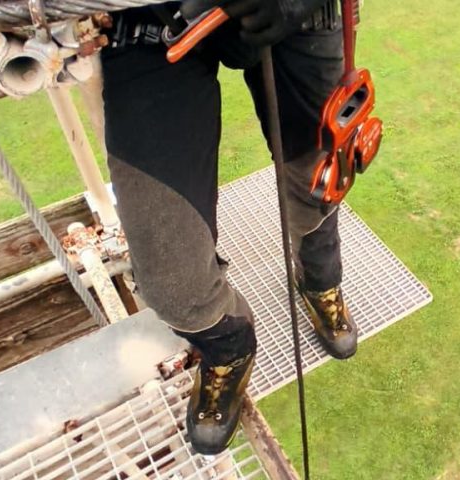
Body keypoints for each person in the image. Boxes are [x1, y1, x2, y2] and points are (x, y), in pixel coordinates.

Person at [100, 0, 357, 455]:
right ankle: (229, 344)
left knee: (319, 177)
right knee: (170, 281)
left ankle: (319, 276)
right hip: (148, 15)